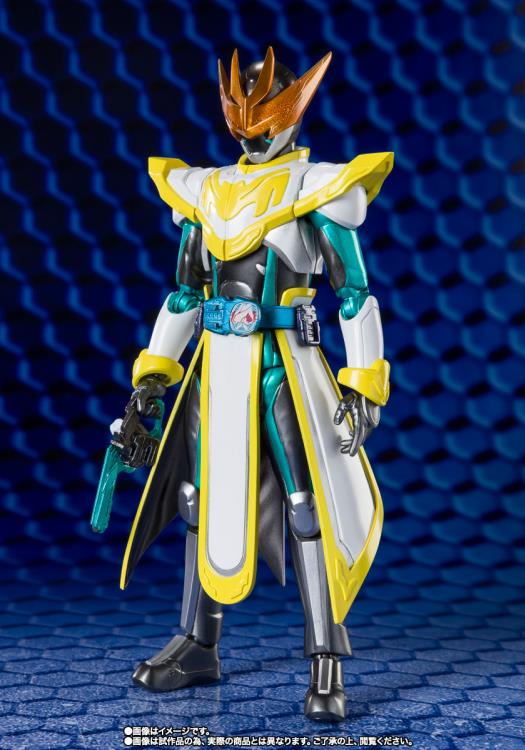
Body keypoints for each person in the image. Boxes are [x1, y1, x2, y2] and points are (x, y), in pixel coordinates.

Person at [111, 47, 393, 721]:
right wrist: (153, 380)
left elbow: (354, 294)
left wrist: (363, 386)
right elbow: (185, 296)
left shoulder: (319, 189)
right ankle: (197, 642)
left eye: (262, 122)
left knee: (307, 503)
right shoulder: (205, 191)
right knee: (195, 495)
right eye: (240, 122)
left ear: (291, 116)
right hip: (217, 365)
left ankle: (326, 659)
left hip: (282, 367)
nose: (250, 135)